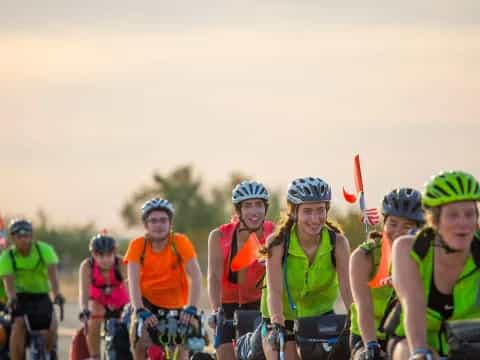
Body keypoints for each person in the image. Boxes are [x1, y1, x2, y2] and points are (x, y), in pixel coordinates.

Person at [389, 171, 480, 359]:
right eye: (453, 215)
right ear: (435, 221)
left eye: (469, 214)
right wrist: (419, 352)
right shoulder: (409, 248)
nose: (463, 223)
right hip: (413, 340)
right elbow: (412, 304)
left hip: (466, 344)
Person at [259, 177, 353, 360]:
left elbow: (348, 289)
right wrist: (277, 324)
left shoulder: (338, 243)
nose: (315, 218)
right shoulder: (277, 243)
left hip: (319, 317)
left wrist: (358, 319)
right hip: (281, 318)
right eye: (307, 211)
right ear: (294, 212)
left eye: (320, 210)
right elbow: (274, 292)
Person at [349, 188, 425, 360]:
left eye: (408, 226)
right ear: (384, 223)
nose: (398, 231)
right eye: (393, 223)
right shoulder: (364, 256)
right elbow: (364, 307)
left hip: (406, 333)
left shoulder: (426, 256)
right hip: (367, 335)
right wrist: (371, 345)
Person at [124, 198, 203, 360]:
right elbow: (132, 280)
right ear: (146, 224)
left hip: (177, 304)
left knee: (186, 340)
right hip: (147, 303)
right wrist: (140, 310)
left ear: (170, 223)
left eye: (163, 220)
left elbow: (196, 276)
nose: (158, 225)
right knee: (139, 336)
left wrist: (192, 308)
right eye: (153, 221)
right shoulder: (137, 245)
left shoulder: (180, 242)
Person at [208, 180, 274, 359]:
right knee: (225, 353)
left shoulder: (274, 233)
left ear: (265, 208)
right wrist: (216, 310)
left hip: (263, 304)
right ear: (239, 210)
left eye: (259, 205)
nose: (254, 211)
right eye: (248, 206)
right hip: (227, 306)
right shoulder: (219, 236)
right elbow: (213, 276)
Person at [0, 219, 64, 360]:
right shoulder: (7, 257)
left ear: (31, 236)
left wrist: (57, 294)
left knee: (52, 325)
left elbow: (53, 276)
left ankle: (48, 353)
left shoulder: (44, 250)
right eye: (19, 236)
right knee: (18, 325)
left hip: (41, 295)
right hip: (20, 297)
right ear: (13, 238)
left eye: (27, 235)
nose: (24, 240)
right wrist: (11, 298)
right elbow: (8, 283)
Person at [78, 233, 129, 359]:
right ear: (93, 254)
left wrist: (132, 308)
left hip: (120, 301)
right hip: (98, 302)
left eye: (109, 255)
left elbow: (130, 287)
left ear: (114, 253)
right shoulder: (87, 266)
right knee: (93, 317)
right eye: (100, 255)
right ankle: (95, 356)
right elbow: (84, 293)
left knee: (130, 322)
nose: (105, 259)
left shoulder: (121, 263)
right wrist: (84, 310)